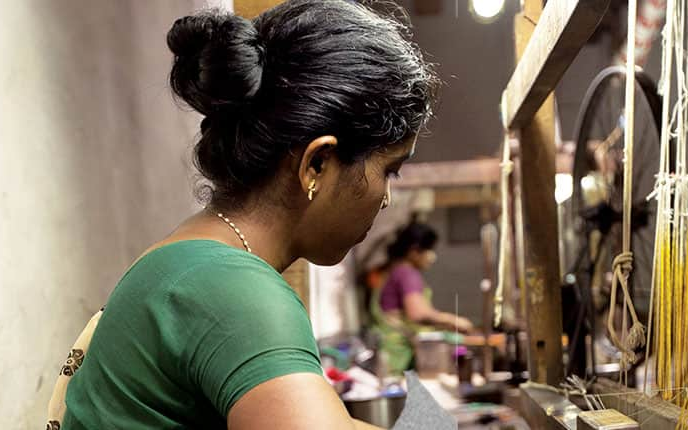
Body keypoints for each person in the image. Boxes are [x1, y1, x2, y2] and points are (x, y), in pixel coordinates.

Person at [59, 1, 439, 429]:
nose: (386, 198)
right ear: (317, 164)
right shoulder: (233, 291)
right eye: (389, 170)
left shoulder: (188, 262)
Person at [371, 222, 474, 377]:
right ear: (414, 251)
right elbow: (418, 313)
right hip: (399, 359)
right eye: (429, 250)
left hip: (388, 356)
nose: (432, 256)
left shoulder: (392, 271)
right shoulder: (407, 274)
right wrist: (453, 321)